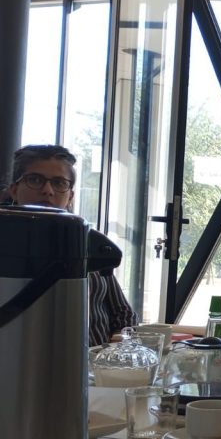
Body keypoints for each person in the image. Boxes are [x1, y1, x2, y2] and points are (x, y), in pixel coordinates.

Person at [6, 144, 137, 345]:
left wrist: (116, 349)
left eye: (59, 183)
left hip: (96, 360)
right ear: (14, 190)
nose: (47, 190)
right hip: (18, 359)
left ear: (70, 196)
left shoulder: (89, 245)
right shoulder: (6, 248)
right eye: (35, 180)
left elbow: (124, 313)